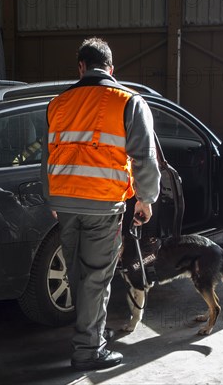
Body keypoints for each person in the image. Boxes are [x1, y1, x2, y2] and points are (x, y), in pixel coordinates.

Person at [41, 37, 161, 370]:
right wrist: (146, 199)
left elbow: (46, 157)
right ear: (111, 68)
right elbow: (145, 159)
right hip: (103, 205)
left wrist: (52, 196)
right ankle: (88, 351)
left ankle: (91, 332)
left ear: (81, 66)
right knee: (96, 278)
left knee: (80, 275)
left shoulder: (58, 103)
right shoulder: (128, 101)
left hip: (65, 203)